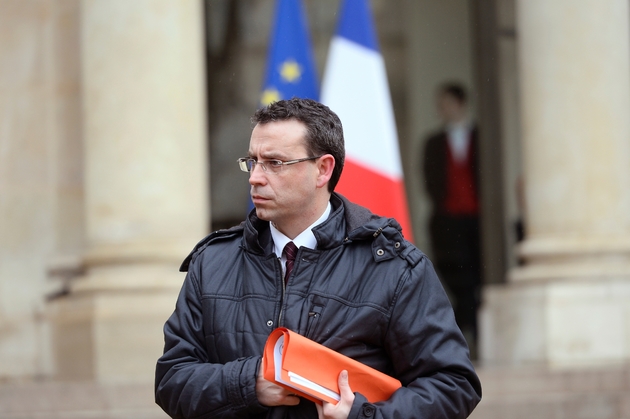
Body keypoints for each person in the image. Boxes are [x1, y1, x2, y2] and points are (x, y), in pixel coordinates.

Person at [155, 98, 481, 419]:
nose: (255, 177)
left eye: (275, 163)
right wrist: (249, 383)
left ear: (323, 169)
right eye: (252, 161)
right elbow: (172, 381)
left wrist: (362, 416)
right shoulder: (212, 262)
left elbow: (453, 386)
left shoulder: (394, 267)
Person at [422, 82, 482, 358]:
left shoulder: (481, 137)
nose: (442, 109)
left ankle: (471, 329)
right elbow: (430, 181)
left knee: (477, 273)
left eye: (447, 103)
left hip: (477, 220)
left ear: (460, 104)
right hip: (447, 220)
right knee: (454, 274)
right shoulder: (433, 142)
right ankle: (466, 328)